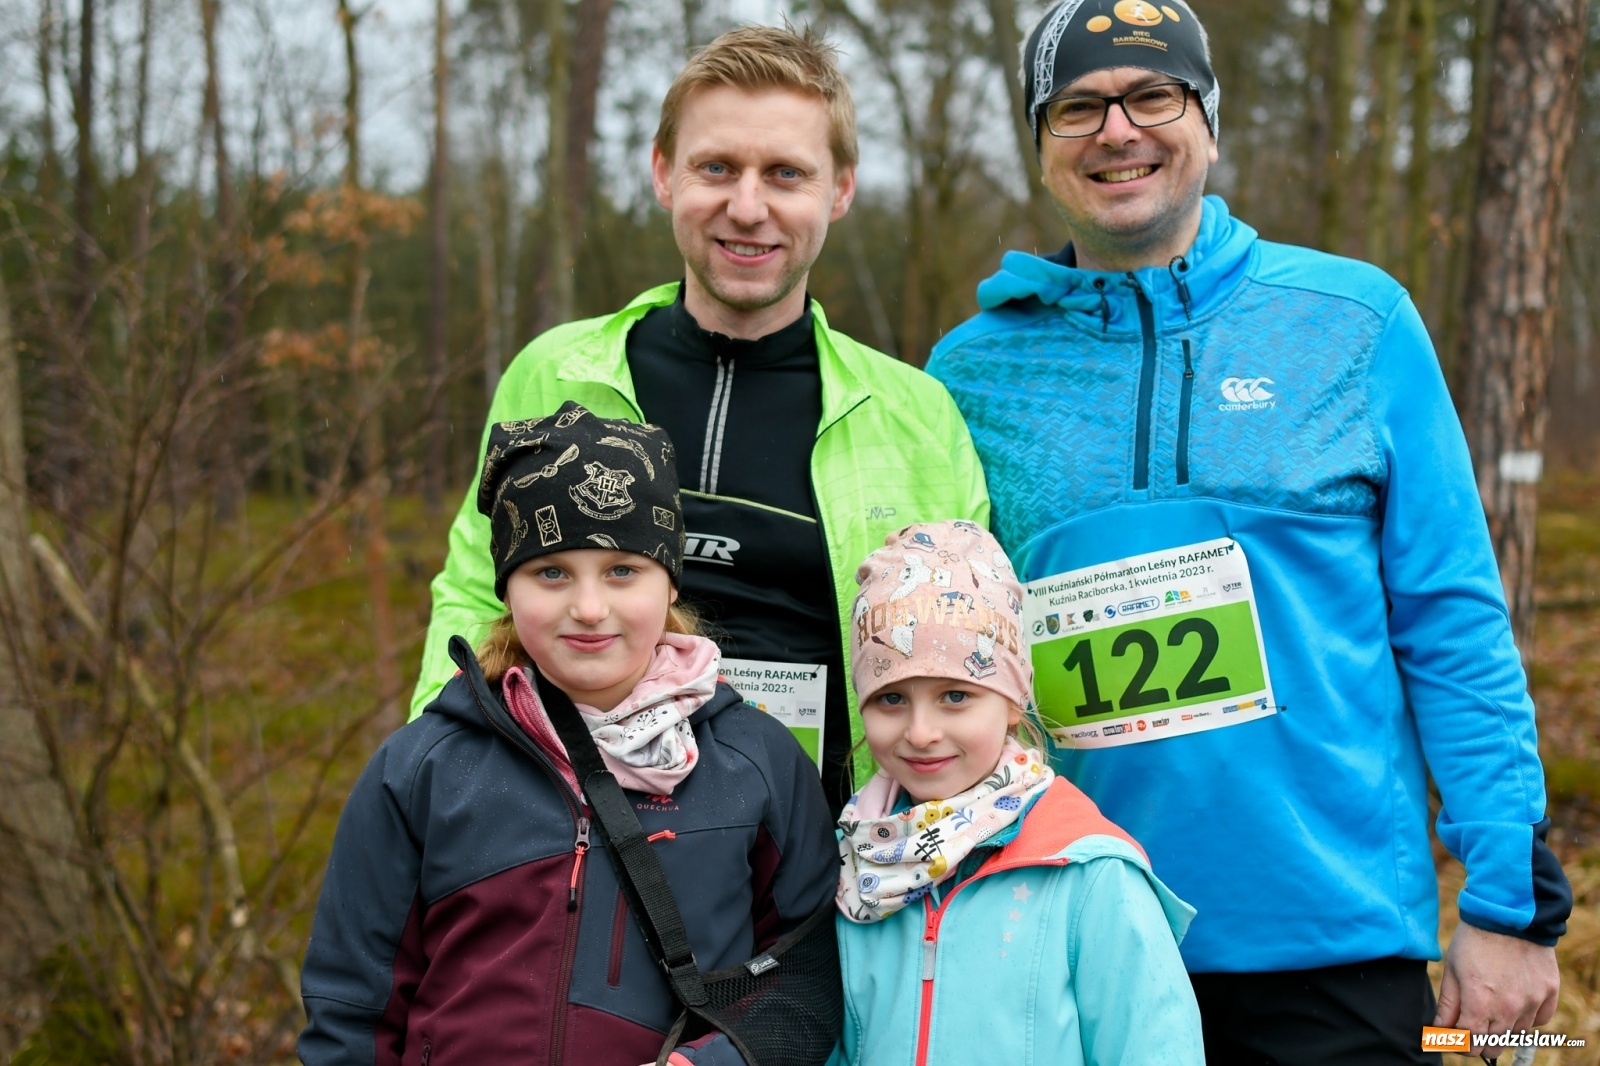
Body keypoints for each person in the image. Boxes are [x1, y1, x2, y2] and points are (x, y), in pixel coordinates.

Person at [924, 2, 1572, 1062]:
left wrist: (1505, 900)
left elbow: (1452, 622)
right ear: (1040, 147)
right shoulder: (970, 371)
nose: (1117, 131)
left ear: (1207, 120)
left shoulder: (1355, 322)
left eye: (1151, 96)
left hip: (1331, 939)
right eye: (1076, 108)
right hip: (1066, 929)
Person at [412, 24, 989, 813]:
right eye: (716, 167)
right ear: (663, 174)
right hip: (569, 837)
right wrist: (437, 788)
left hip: (825, 864)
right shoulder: (556, 374)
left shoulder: (917, 415)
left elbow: (973, 663)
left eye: (786, 173)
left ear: (841, 189)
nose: (746, 207)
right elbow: (477, 598)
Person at [300, 403, 839, 1064]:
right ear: (507, 589)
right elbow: (350, 1008)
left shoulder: (757, 763)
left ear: (669, 583)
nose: (588, 608)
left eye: (622, 571)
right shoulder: (423, 770)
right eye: (551, 572)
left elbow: (808, 979)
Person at [828, 520, 1203, 1065]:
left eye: (955, 696)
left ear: (1012, 701)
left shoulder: (1088, 872)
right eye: (891, 699)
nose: (921, 732)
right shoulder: (856, 862)